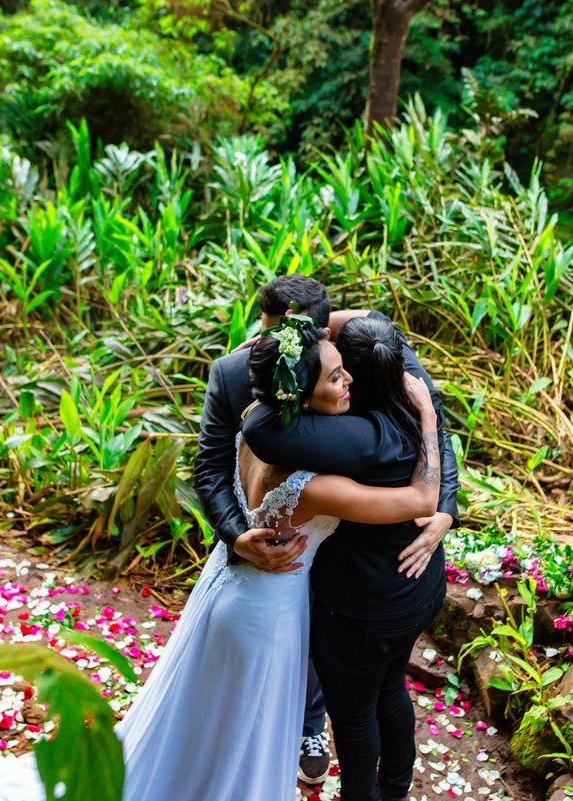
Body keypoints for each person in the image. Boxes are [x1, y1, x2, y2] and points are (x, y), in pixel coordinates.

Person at [0, 316, 442, 801]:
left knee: (205, 722)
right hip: (268, 612)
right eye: (335, 375)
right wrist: (426, 415)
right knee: (245, 729)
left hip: (234, 589)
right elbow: (420, 501)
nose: (348, 378)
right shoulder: (317, 483)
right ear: (305, 396)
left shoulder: (260, 434)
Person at [192, 274, 458, 783]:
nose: (262, 343)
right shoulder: (238, 383)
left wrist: (444, 510)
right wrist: (235, 536)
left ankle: (300, 738)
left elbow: (437, 423)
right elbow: (209, 468)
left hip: (329, 578)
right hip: (274, 570)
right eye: (334, 379)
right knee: (259, 693)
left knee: (325, 683)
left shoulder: (360, 350)